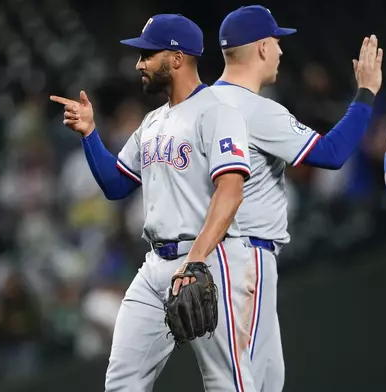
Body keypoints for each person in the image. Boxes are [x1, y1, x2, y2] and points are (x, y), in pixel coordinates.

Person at [50, 14, 257, 392]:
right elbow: (116, 185)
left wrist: (195, 262)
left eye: (147, 54)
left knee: (230, 385)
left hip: (212, 261)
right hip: (155, 267)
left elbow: (231, 192)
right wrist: (91, 134)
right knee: (122, 383)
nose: (138, 64)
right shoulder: (152, 122)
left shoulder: (218, 113)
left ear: (177, 58)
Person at [208, 5, 383, 391]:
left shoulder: (197, 107)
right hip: (244, 258)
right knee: (245, 381)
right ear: (260, 48)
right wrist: (366, 93)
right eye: (275, 42)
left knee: (265, 380)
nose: (282, 51)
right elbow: (332, 154)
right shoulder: (253, 109)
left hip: (221, 260)